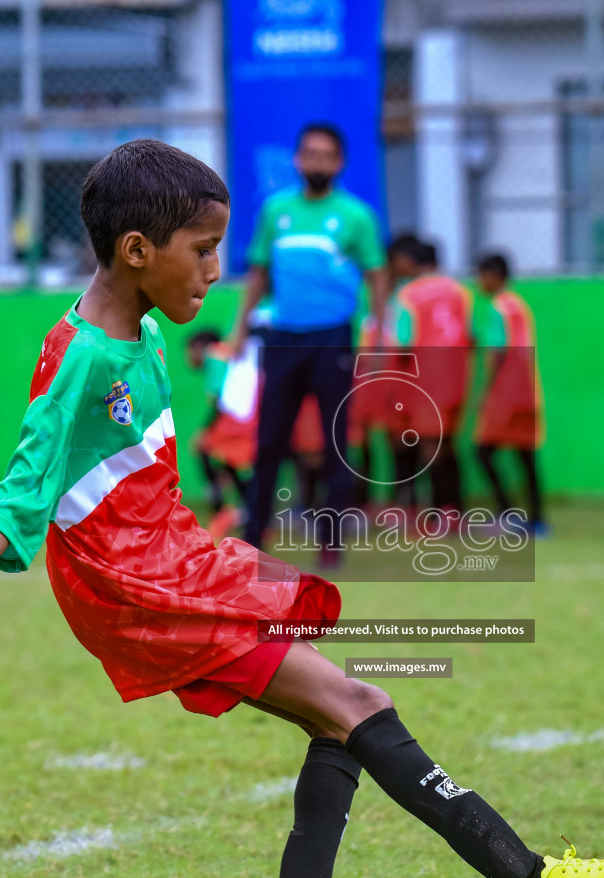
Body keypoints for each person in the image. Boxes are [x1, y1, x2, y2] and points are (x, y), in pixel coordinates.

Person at [0, 138, 604, 878]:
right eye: (201, 253)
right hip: (141, 584)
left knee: (339, 709)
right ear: (137, 252)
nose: (215, 272)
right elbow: (29, 475)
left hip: (173, 560)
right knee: (353, 700)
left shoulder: (142, 334)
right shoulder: (85, 353)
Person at [232, 123, 390, 566]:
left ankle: (332, 542)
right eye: (310, 154)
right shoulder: (275, 211)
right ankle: (253, 539)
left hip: (333, 338)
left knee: (335, 442)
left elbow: (378, 276)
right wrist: (239, 329)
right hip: (283, 340)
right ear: (298, 160)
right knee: (269, 443)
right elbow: (258, 274)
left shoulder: (357, 216)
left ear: (339, 163)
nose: (317, 162)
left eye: (327, 156)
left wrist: (380, 332)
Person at [387, 234, 472, 519]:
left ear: (408, 261)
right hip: (457, 378)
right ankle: (455, 508)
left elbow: (403, 343)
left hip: (425, 380)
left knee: (427, 447)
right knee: (446, 443)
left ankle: (438, 512)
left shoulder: (408, 294)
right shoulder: (459, 291)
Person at [472, 252, 547, 536]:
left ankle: (507, 514)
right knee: (526, 457)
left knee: (482, 452)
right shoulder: (518, 306)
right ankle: (538, 520)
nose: (479, 282)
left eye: (481, 275)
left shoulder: (497, 308)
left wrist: (486, 391)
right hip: (527, 392)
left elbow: (496, 352)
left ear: (493, 276)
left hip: (505, 393)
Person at [186, 327, 253, 541]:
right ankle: (248, 511)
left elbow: (219, 398)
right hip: (249, 415)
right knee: (228, 462)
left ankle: (221, 509)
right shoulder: (226, 353)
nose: (189, 358)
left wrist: (205, 431)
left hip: (238, 418)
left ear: (198, 348)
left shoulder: (214, 354)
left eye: (189, 351)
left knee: (203, 449)